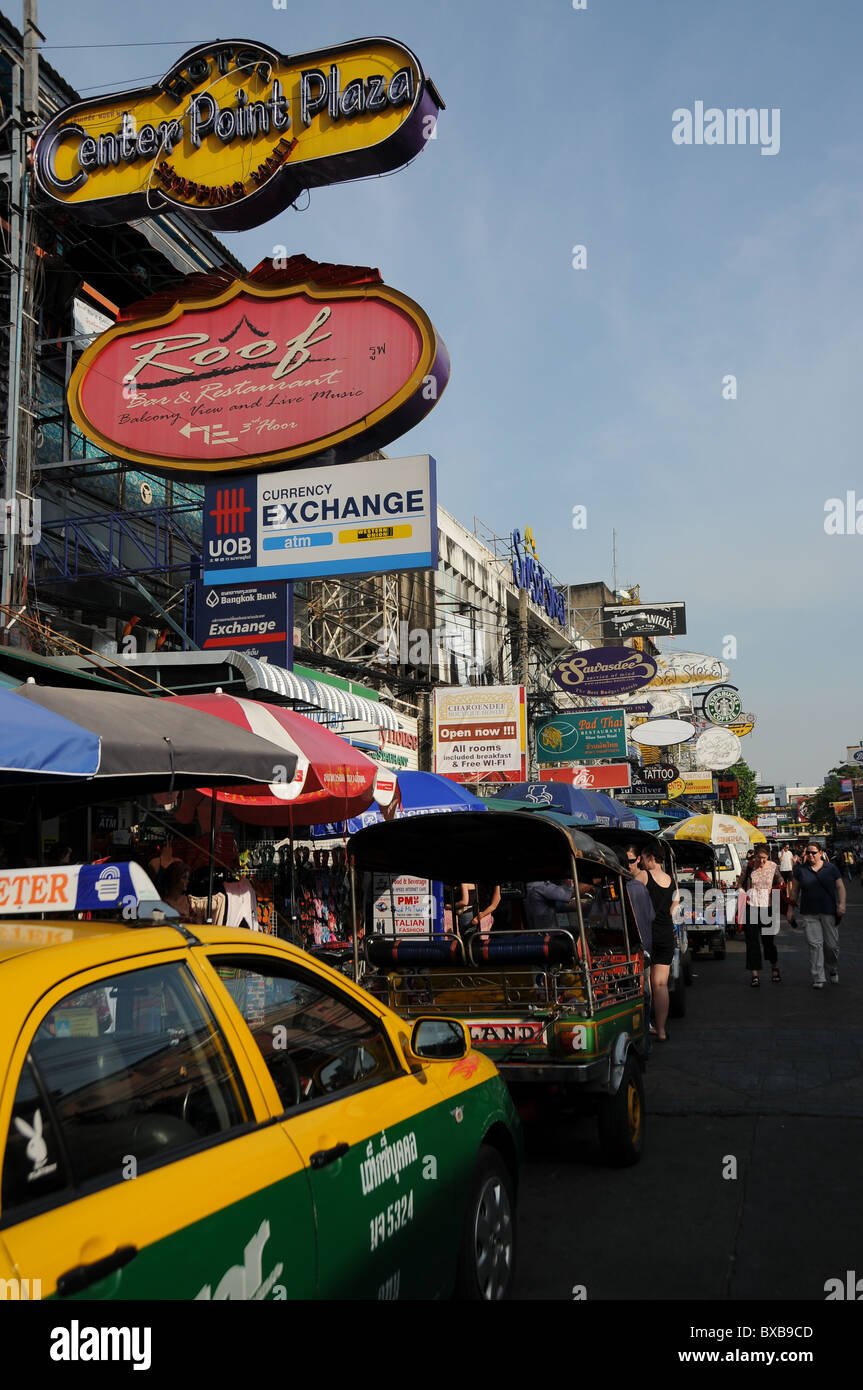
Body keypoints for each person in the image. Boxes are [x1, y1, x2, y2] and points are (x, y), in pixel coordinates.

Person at [788, 840, 846, 987]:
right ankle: (818, 977)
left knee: (832, 946)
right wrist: (790, 910)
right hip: (809, 913)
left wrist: (842, 904)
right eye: (808, 853)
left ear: (820, 853)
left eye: (814, 852)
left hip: (829, 912)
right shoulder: (800, 870)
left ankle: (832, 968)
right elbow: (794, 891)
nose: (811, 855)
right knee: (815, 945)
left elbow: (840, 887)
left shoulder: (831, 868)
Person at [639, 845, 678, 1042]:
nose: (640, 862)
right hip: (666, 933)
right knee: (661, 984)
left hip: (647, 934)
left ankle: (646, 1026)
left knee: (644, 982)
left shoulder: (644, 877)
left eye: (643, 858)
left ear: (651, 857)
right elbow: (675, 905)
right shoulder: (671, 880)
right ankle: (662, 1031)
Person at [738, 845, 783, 986]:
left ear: (768, 857)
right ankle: (755, 974)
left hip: (768, 908)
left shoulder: (773, 866)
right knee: (752, 942)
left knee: (768, 942)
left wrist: (781, 885)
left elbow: (780, 880)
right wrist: (742, 893)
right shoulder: (748, 866)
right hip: (751, 907)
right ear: (755, 856)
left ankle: (774, 967)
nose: (761, 861)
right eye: (759, 858)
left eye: (764, 858)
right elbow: (739, 884)